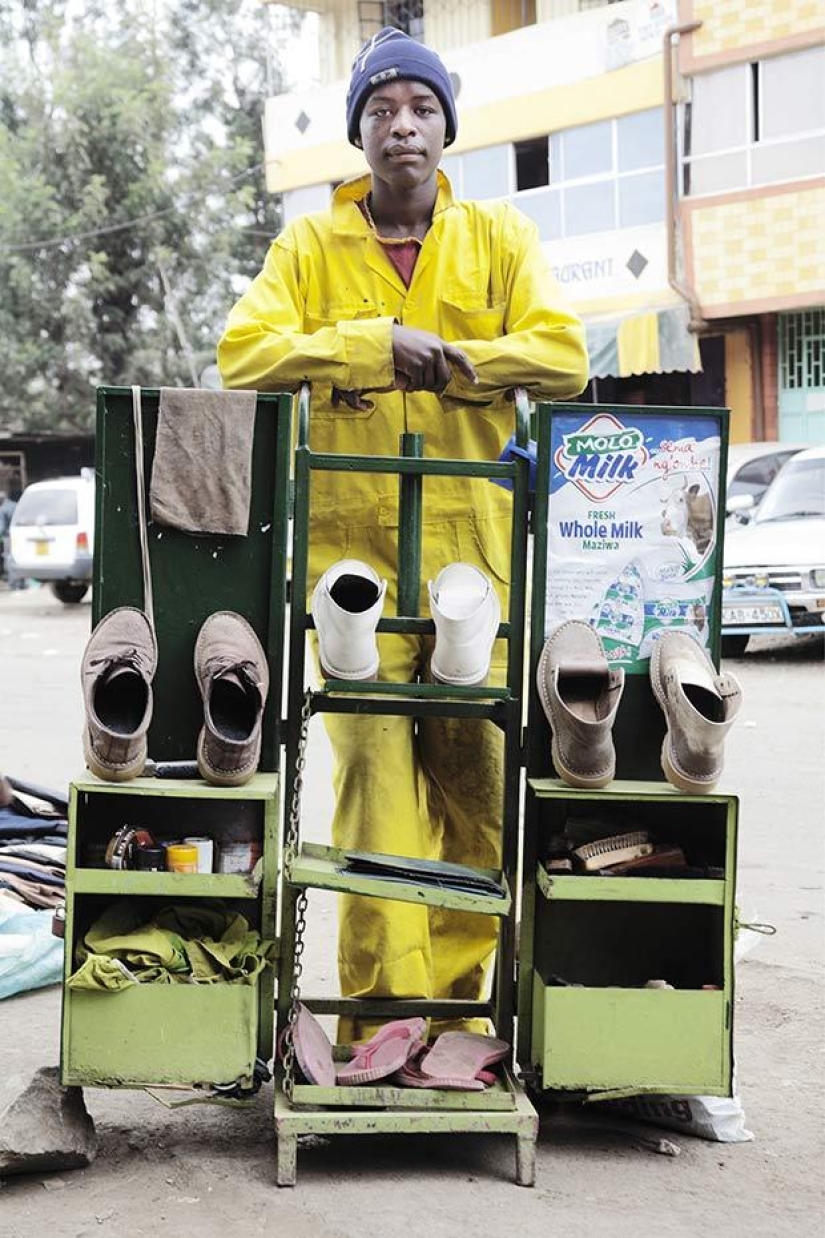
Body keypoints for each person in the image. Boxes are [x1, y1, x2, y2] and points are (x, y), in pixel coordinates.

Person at [218, 28, 589, 1042]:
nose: (402, 126)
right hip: (353, 564)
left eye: (420, 108)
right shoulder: (308, 246)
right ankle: (386, 1020)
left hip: (473, 556)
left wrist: (460, 361)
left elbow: (565, 355)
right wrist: (370, 345)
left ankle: (459, 1022)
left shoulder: (499, 239)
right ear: (358, 134)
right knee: (376, 785)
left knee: (473, 785)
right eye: (381, 110)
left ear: (445, 128)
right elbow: (242, 353)